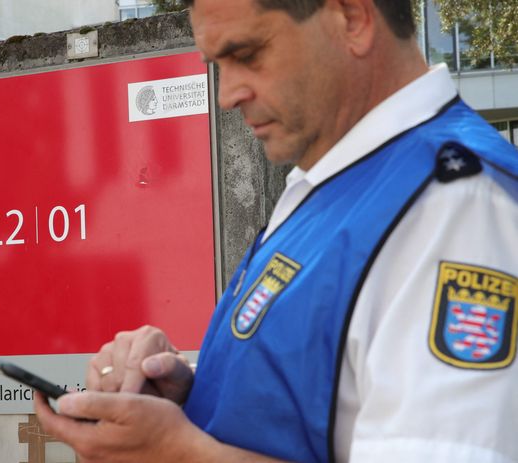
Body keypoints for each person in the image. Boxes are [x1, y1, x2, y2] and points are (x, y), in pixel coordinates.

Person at [35, 0, 518, 461]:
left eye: (246, 54)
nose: (227, 95)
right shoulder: (335, 180)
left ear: (352, 18)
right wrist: (189, 395)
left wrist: (177, 453)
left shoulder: (455, 207)